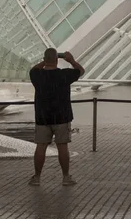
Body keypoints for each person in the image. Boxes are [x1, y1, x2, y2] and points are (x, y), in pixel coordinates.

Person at [28, 48, 85, 186]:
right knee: (62, 147)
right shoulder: (65, 75)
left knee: (40, 147)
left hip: (42, 117)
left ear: (45, 59)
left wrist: (46, 60)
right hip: (62, 116)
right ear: (57, 60)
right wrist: (71, 60)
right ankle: (66, 177)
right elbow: (81, 71)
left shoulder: (36, 75)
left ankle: (37, 177)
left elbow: (34, 68)